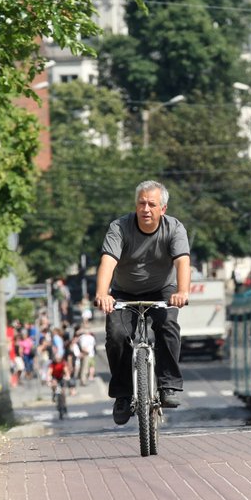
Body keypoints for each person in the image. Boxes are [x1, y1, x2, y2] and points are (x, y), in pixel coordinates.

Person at [94, 180, 191, 425]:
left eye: (152, 204)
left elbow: (182, 261)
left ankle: (168, 385)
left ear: (163, 209)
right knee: (115, 334)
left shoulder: (174, 229)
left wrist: (182, 291)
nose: (146, 209)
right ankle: (123, 395)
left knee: (168, 325)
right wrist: (102, 293)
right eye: (141, 203)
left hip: (162, 290)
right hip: (124, 292)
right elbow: (108, 260)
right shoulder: (119, 227)